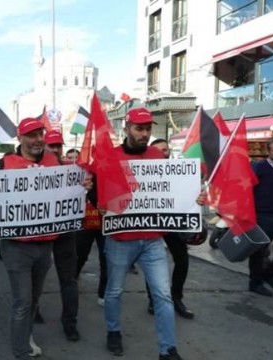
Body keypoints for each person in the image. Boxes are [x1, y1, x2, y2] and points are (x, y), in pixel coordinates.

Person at [0, 118, 91, 359]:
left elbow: (70, 189)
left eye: (40, 133)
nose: (38, 139)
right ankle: (21, 351)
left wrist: (84, 185)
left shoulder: (56, 163)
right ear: (20, 138)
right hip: (17, 248)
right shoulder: (3, 165)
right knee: (22, 301)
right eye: (31, 135)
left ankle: (26, 335)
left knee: (34, 298)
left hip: (45, 246)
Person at [100, 108, 196, 360]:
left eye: (147, 129)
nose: (144, 133)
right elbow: (99, 192)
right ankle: (113, 331)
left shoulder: (157, 155)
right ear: (127, 128)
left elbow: (170, 190)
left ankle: (168, 349)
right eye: (139, 128)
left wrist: (194, 197)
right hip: (121, 239)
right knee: (114, 291)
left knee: (163, 294)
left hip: (153, 239)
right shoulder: (111, 156)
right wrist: (100, 202)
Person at [146, 139, 194, 318]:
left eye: (165, 150)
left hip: (173, 221)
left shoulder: (180, 172)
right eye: (158, 150)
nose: (162, 153)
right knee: (151, 261)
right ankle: (154, 299)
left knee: (182, 259)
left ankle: (176, 298)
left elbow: (189, 195)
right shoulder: (143, 171)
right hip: (151, 222)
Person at [41, 130, 81, 340]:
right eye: (52, 145)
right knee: (35, 277)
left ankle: (70, 322)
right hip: (39, 233)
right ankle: (34, 309)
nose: (56, 149)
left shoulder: (72, 169)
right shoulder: (32, 169)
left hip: (65, 232)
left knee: (68, 279)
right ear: (44, 146)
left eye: (59, 146)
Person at [248, 138, 273, 296]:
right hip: (261, 215)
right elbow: (247, 188)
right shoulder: (259, 167)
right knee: (258, 252)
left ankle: (268, 274)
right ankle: (255, 283)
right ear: (268, 151)